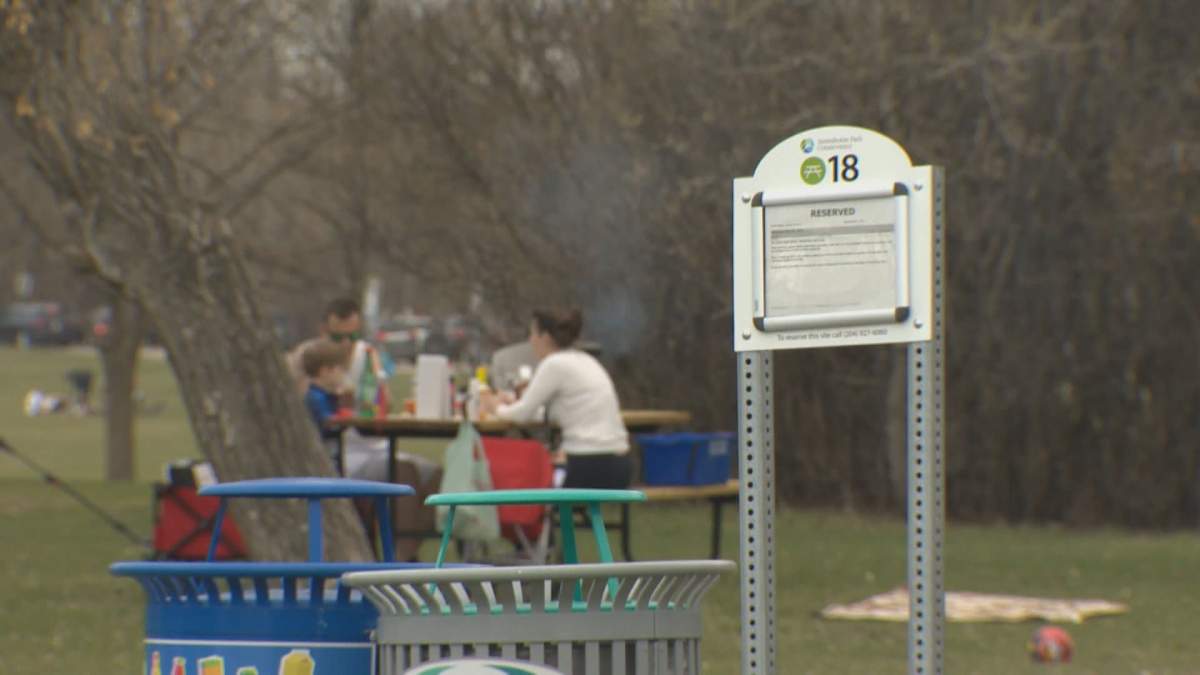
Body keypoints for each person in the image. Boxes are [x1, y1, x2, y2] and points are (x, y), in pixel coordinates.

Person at [481, 308, 631, 489]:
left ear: (545, 337)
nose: (531, 340)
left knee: (534, 488)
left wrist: (494, 407)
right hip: (619, 463)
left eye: (533, 334)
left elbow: (522, 415)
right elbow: (558, 411)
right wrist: (515, 404)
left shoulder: (554, 364)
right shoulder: (586, 360)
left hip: (589, 463)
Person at [300, 339, 349, 446]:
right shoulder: (315, 398)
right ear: (325, 371)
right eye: (340, 369)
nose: (342, 374)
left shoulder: (324, 395)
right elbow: (329, 425)